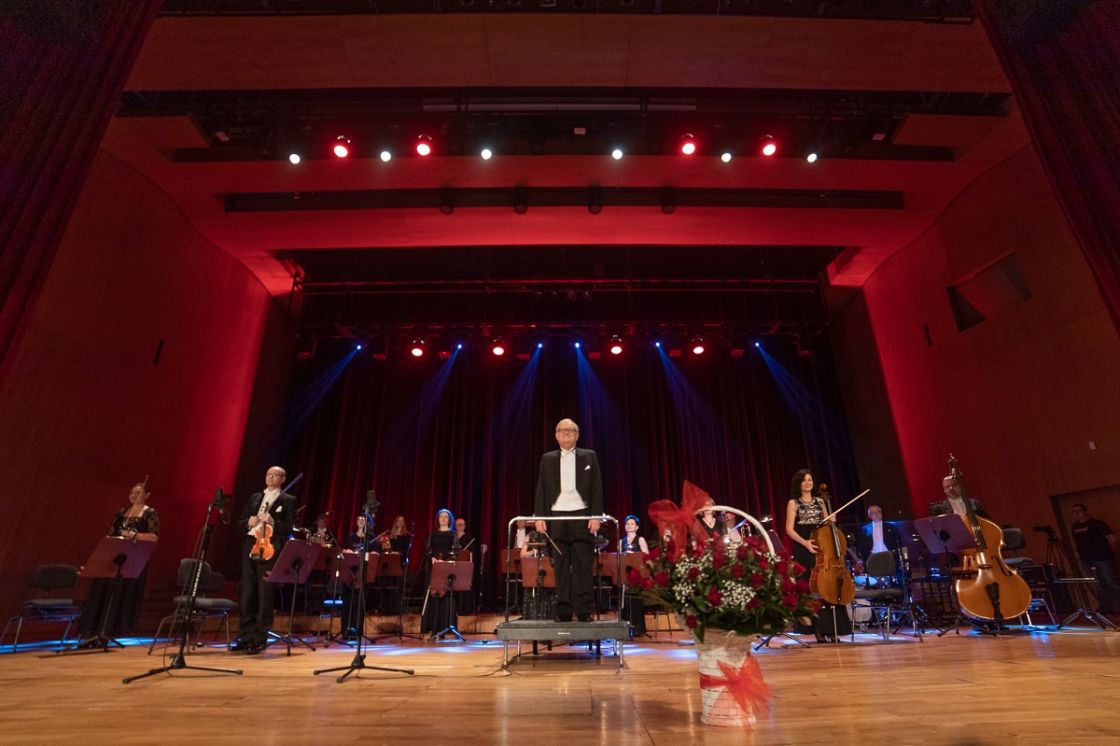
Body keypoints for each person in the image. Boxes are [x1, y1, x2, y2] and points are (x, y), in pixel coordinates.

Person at [533, 418, 604, 623]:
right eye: (562, 431)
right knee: (561, 565)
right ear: (556, 435)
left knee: (583, 564)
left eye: (570, 431)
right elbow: (541, 489)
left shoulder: (589, 456)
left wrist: (596, 515)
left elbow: (597, 487)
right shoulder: (547, 459)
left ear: (577, 435)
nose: (566, 434)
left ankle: (584, 610)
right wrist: (540, 516)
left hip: (582, 515)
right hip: (557, 516)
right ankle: (563, 609)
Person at [77, 482, 160, 640]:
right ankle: (94, 629)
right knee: (103, 589)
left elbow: (154, 537)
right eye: (132, 492)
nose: (134, 495)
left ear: (147, 495)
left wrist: (134, 535)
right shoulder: (122, 512)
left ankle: (114, 630)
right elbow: (111, 534)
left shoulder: (150, 513)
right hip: (114, 557)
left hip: (132, 559)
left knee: (124, 592)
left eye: (138, 492)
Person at [233, 466, 296, 654]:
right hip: (250, 545)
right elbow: (240, 523)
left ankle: (259, 638)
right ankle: (245, 636)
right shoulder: (255, 498)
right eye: (268, 474)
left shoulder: (288, 500)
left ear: (283, 479)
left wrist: (274, 522)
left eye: (275, 475)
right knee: (247, 592)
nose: (270, 477)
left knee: (264, 593)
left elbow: (289, 528)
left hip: (269, 547)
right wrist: (248, 522)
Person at [785, 468, 851, 641]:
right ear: (798, 483)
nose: (808, 483)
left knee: (828, 584)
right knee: (811, 587)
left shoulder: (821, 501)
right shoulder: (793, 503)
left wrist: (832, 520)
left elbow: (828, 523)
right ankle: (817, 629)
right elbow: (789, 529)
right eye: (804, 480)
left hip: (823, 545)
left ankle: (833, 628)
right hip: (804, 545)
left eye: (810, 480)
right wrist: (805, 543)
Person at [1069, 503, 1120, 617]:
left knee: (1110, 582)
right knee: (1098, 584)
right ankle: (1105, 607)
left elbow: (1112, 539)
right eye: (1074, 511)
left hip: (1102, 558)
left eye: (1079, 510)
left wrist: (1109, 552)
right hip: (1086, 560)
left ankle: (1117, 606)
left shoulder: (1098, 523)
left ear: (1085, 511)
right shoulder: (1075, 527)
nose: (1077, 513)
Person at [420, 508, 460, 638]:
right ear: (438, 519)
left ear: (449, 520)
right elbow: (427, 550)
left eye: (446, 517)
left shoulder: (453, 534)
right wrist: (432, 558)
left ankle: (445, 628)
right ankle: (433, 628)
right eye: (441, 516)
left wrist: (444, 561)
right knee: (434, 597)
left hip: (446, 568)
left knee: (446, 597)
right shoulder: (433, 534)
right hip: (434, 567)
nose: (443, 519)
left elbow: (455, 551)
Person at [339, 514, 374, 640]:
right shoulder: (350, 537)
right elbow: (344, 551)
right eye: (359, 519)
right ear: (356, 521)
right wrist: (347, 552)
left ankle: (357, 631)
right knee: (347, 602)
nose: (361, 521)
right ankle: (345, 631)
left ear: (367, 523)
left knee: (359, 604)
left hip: (362, 575)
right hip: (349, 573)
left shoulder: (370, 538)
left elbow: (374, 554)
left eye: (364, 520)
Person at [619, 514, 648, 638]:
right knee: (624, 601)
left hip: (637, 575)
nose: (629, 526)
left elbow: (646, 555)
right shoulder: (622, 541)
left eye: (631, 524)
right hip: (625, 575)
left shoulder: (640, 539)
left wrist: (635, 555)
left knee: (636, 601)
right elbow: (618, 557)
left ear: (636, 527)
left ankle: (638, 628)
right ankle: (625, 628)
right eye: (627, 524)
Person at [376, 515, 410, 615]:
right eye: (398, 520)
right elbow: (386, 549)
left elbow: (406, 550)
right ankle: (386, 609)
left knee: (398, 587)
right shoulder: (389, 535)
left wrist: (398, 553)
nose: (400, 522)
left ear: (404, 523)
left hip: (400, 563)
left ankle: (397, 609)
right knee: (387, 586)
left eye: (402, 521)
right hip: (390, 563)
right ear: (395, 522)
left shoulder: (406, 535)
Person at [453, 517, 478, 614]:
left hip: (464, 567)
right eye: (458, 524)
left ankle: (465, 610)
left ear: (465, 526)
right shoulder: (452, 537)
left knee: (464, 588)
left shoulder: (469, 538)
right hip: (453, 566)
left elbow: (473, 554)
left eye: (461, 524)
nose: (460, 526)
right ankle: (454, 609)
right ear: (455, 526)